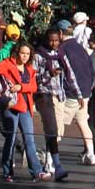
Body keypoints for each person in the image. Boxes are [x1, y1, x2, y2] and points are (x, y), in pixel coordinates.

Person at [0, 39, 48, 183]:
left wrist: (21, 87)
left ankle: (37, 171)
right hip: (11, 105)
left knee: (29, 139)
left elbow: (33, 87)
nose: (25, 56)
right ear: (17, 53)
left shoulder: (29, 69)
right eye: (22, 53)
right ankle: (8, 171)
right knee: (11, 139)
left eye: (27, 54)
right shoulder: (7, 64)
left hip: (25, 107)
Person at [56, 20, 95, 164]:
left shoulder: (62, 49)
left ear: (60, 33)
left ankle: (50, 155)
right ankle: (91, 153)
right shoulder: (81, 48)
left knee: (57, 123)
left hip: (72, 93)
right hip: (86, 92)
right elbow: (92, 72)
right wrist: (88, 89)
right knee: (83, 121)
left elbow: (65, 73)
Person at [33, 26, 70, 180]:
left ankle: (50, 161)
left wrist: (78, 92)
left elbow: (69, 73)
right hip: (43, 94)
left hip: (58, 94)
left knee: (57, 131)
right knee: (52, 128)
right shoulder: (38, 55)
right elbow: (33, 77)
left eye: (56, 40)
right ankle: (56, 164)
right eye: (51, 40)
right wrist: (49, 74)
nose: (54, 43)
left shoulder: (60, 54)